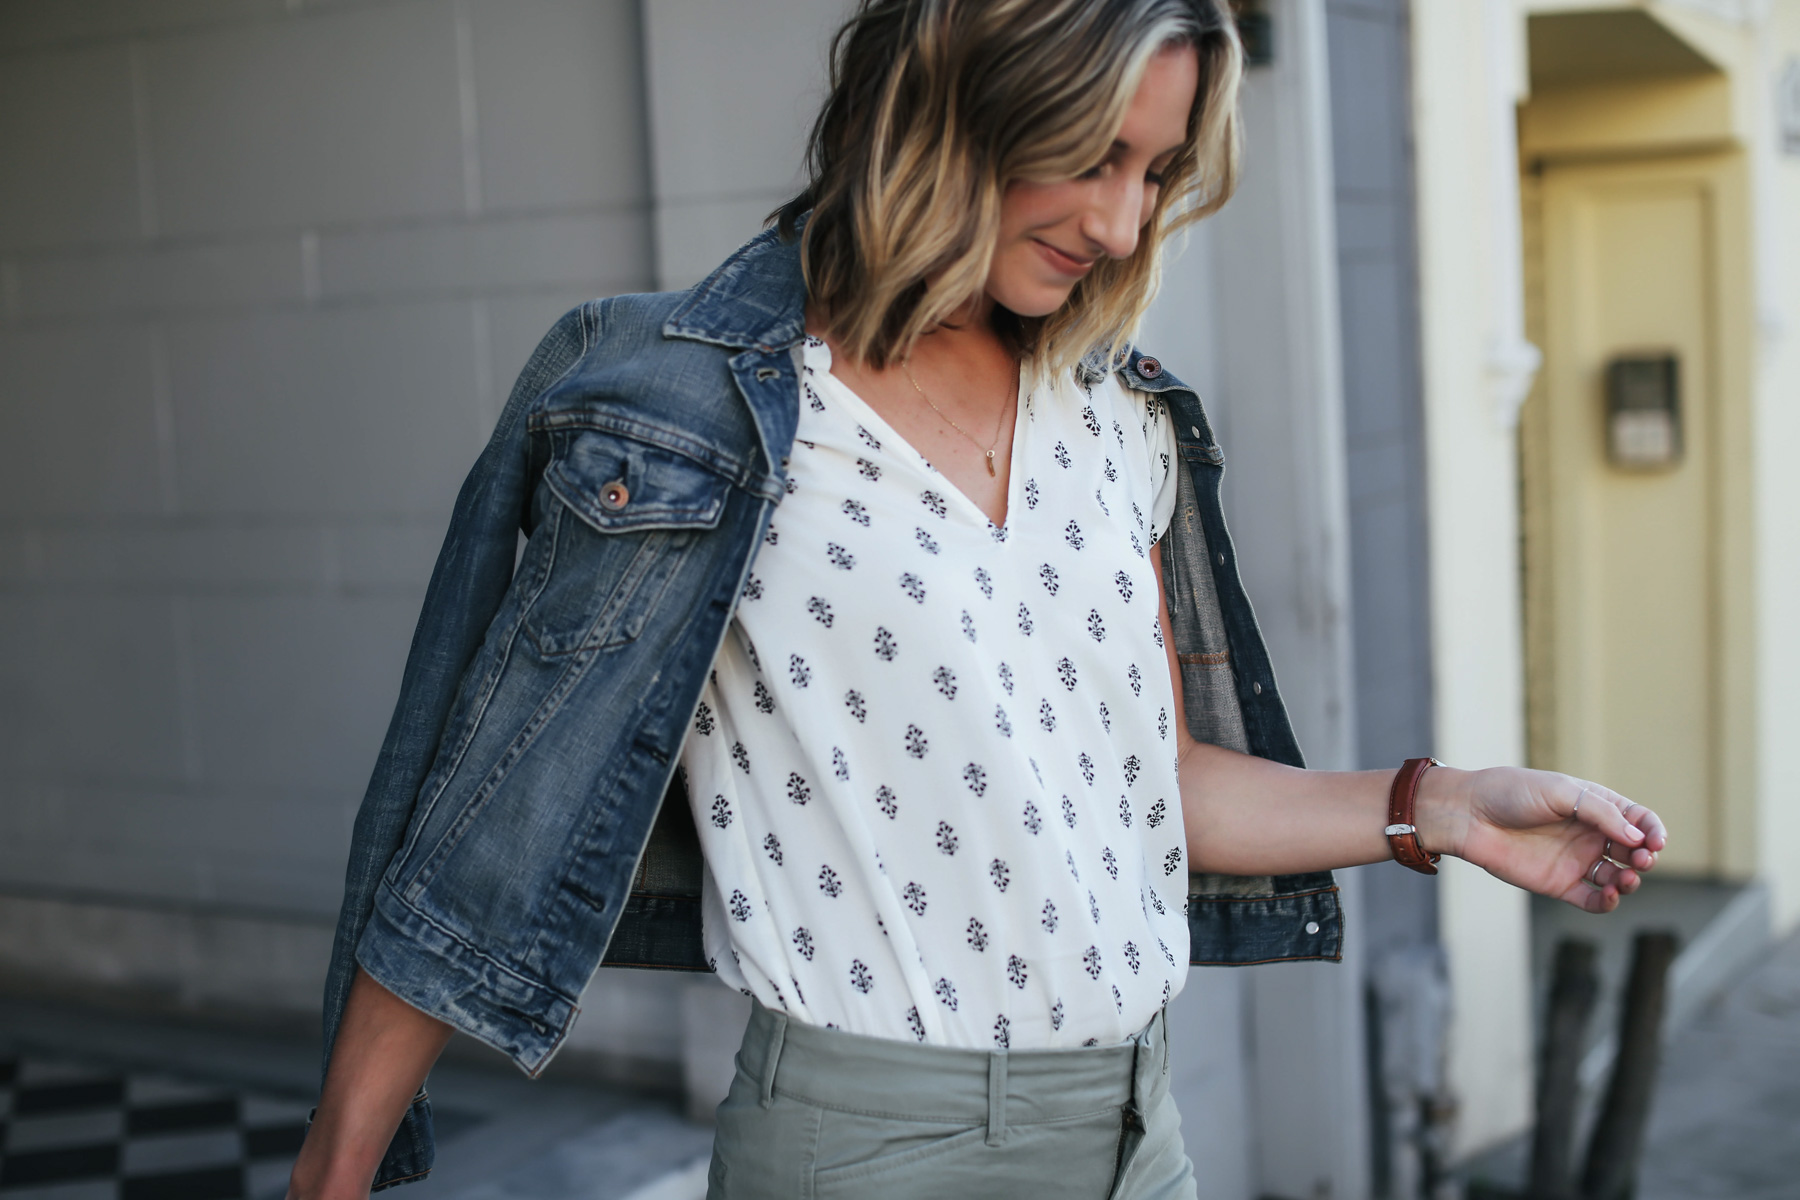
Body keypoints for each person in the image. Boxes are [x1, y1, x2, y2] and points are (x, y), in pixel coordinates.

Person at [287, 1, 1667, 1197]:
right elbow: (485, 830)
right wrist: (334, 1171)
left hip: (1139, 1138)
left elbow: (1155, 780)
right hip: (868, 1153)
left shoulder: (1114, 415)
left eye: (1158, 171)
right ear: (952, 99)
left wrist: (1447, 807)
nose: (1125, 221)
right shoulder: (690, 412)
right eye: (1094, 155)